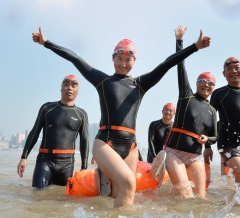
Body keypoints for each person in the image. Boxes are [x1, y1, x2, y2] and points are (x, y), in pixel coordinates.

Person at [32, 26, 210, 207]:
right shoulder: (102, 81)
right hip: (105, 143)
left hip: (130, 148)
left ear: (135, 60)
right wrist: (46, 43)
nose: (123, 64)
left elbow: (167, 63)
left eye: (128, 60)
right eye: (119, 59)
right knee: (129, 183)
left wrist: (194, 46)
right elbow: (75, 58)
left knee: (120, 193)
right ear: (112, 58)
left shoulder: (140, 84)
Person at [153, 25, 217, 199]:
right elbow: (180, 65)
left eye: (211, 83)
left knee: (200, 199)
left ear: (213, 88)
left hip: (195, 157)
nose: (207, 84)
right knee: (186, 194)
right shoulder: (186, 96)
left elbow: (214, 136)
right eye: (203, 81)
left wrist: (207, 140)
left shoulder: (212, 110)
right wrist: (179, 41)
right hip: (175, 153)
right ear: (196, 84)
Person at [17, 75, 89, 188]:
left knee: (61, 201)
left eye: (73, 86)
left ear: (77, 91)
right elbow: (35, 132)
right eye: (66, 85)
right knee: (38, 195)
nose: (69, 88)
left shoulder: (81, 114)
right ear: (61, 89)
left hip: (67, 164)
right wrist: (24, 157)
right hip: (45, 160)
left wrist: (84, 168)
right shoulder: (47, 108)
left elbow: (84, 140)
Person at [204, 57, 240, 193]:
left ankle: (239, 211)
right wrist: (208, 146)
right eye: (229, 69)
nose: (233, 71)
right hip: (228, 145)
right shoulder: (219, 94)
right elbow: (208, 120)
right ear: (224, 74)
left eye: (236, 68)